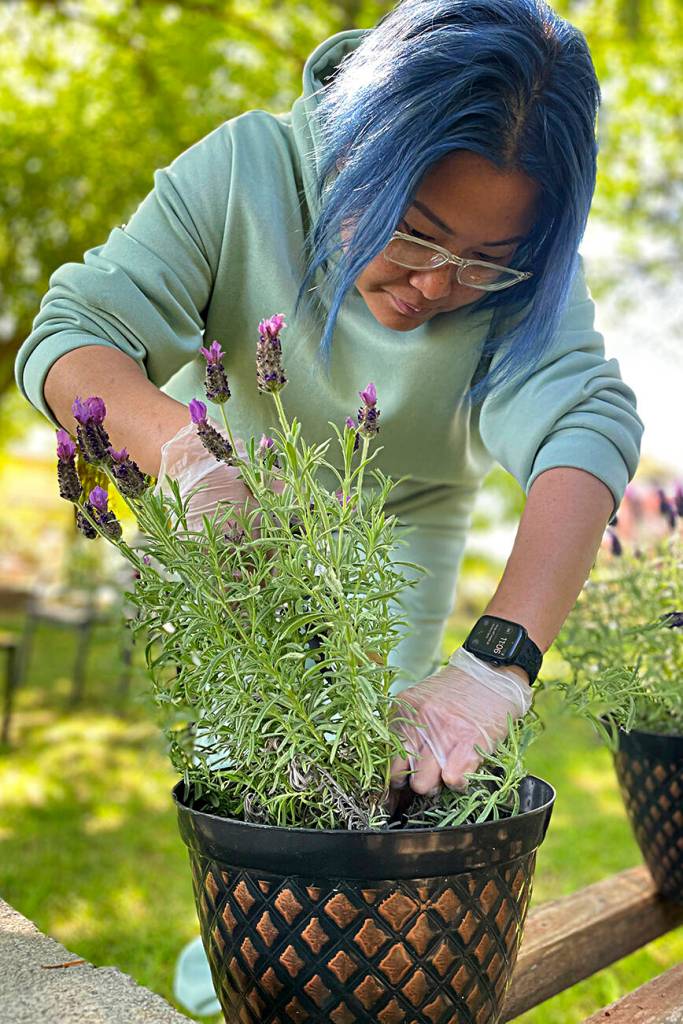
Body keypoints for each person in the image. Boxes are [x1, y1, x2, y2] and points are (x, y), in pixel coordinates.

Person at [15, 0, 643, 1013]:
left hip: (400, 517)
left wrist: (496, 663)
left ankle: (348, 977)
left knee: (372, 785)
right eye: (414, 233)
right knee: (254, 777)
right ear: (354, 157)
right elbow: (76, 331)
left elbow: (584, 422)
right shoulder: (246, 171)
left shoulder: (528, 262)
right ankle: (241, 971)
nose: (438, 284)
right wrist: (186, 459)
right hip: (232, 502)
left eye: (485, 263)